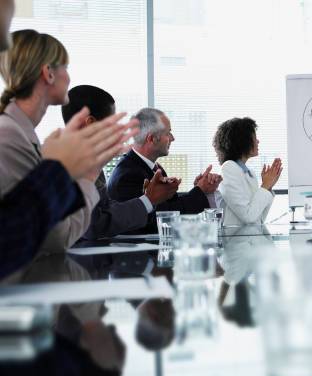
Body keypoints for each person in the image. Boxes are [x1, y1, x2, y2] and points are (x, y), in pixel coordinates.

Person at [0, 25, 138, 276]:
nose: (69, 77)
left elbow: (59, 233)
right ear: (48, 73)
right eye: (65, 67)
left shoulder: (24, 134)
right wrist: (89, 171)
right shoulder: (9, 136)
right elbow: (56, 237)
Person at [61, 85, 178, 239]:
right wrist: (148, 200)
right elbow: (95, 224)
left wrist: (148, 199)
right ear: (90, 123)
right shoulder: (72, 162)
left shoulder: (86, 159)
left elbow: (104, 210)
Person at [107, 107, 221, 233]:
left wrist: (198, 188)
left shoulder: (152, 167)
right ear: (151, 139)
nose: (173, 138)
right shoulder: (128, 175)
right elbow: (161, 219)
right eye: (168, 133)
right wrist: (200, 190)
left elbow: (171, 206)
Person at [213, 117, 282, 226]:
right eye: (254, 137)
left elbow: (258, 218)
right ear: (242, 141)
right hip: (236, 241)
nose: (258, 141)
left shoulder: (250, 173)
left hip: (250, 238)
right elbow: (248, 216)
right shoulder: (228, 168)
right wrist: (265, 186)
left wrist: (269, 187)